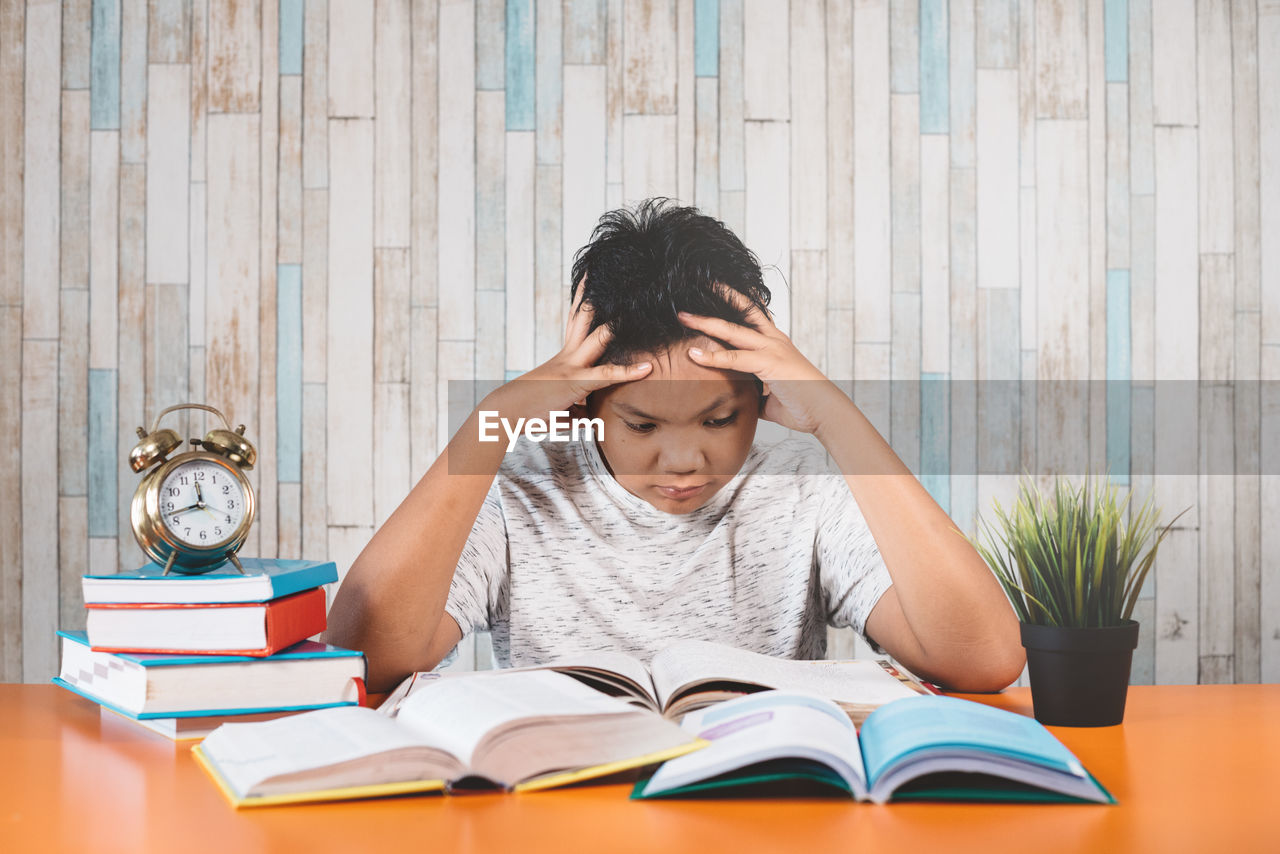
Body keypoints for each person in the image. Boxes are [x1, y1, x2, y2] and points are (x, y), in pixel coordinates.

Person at [325, 199, 1024, 693]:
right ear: (585, 404)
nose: (685, 460)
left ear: (761, 394)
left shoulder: (801, 487)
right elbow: (366, 658)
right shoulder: (520, 489)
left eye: (718, 420)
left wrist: (839, 420)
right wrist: (491, 420)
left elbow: (986, 658)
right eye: (642, 426)